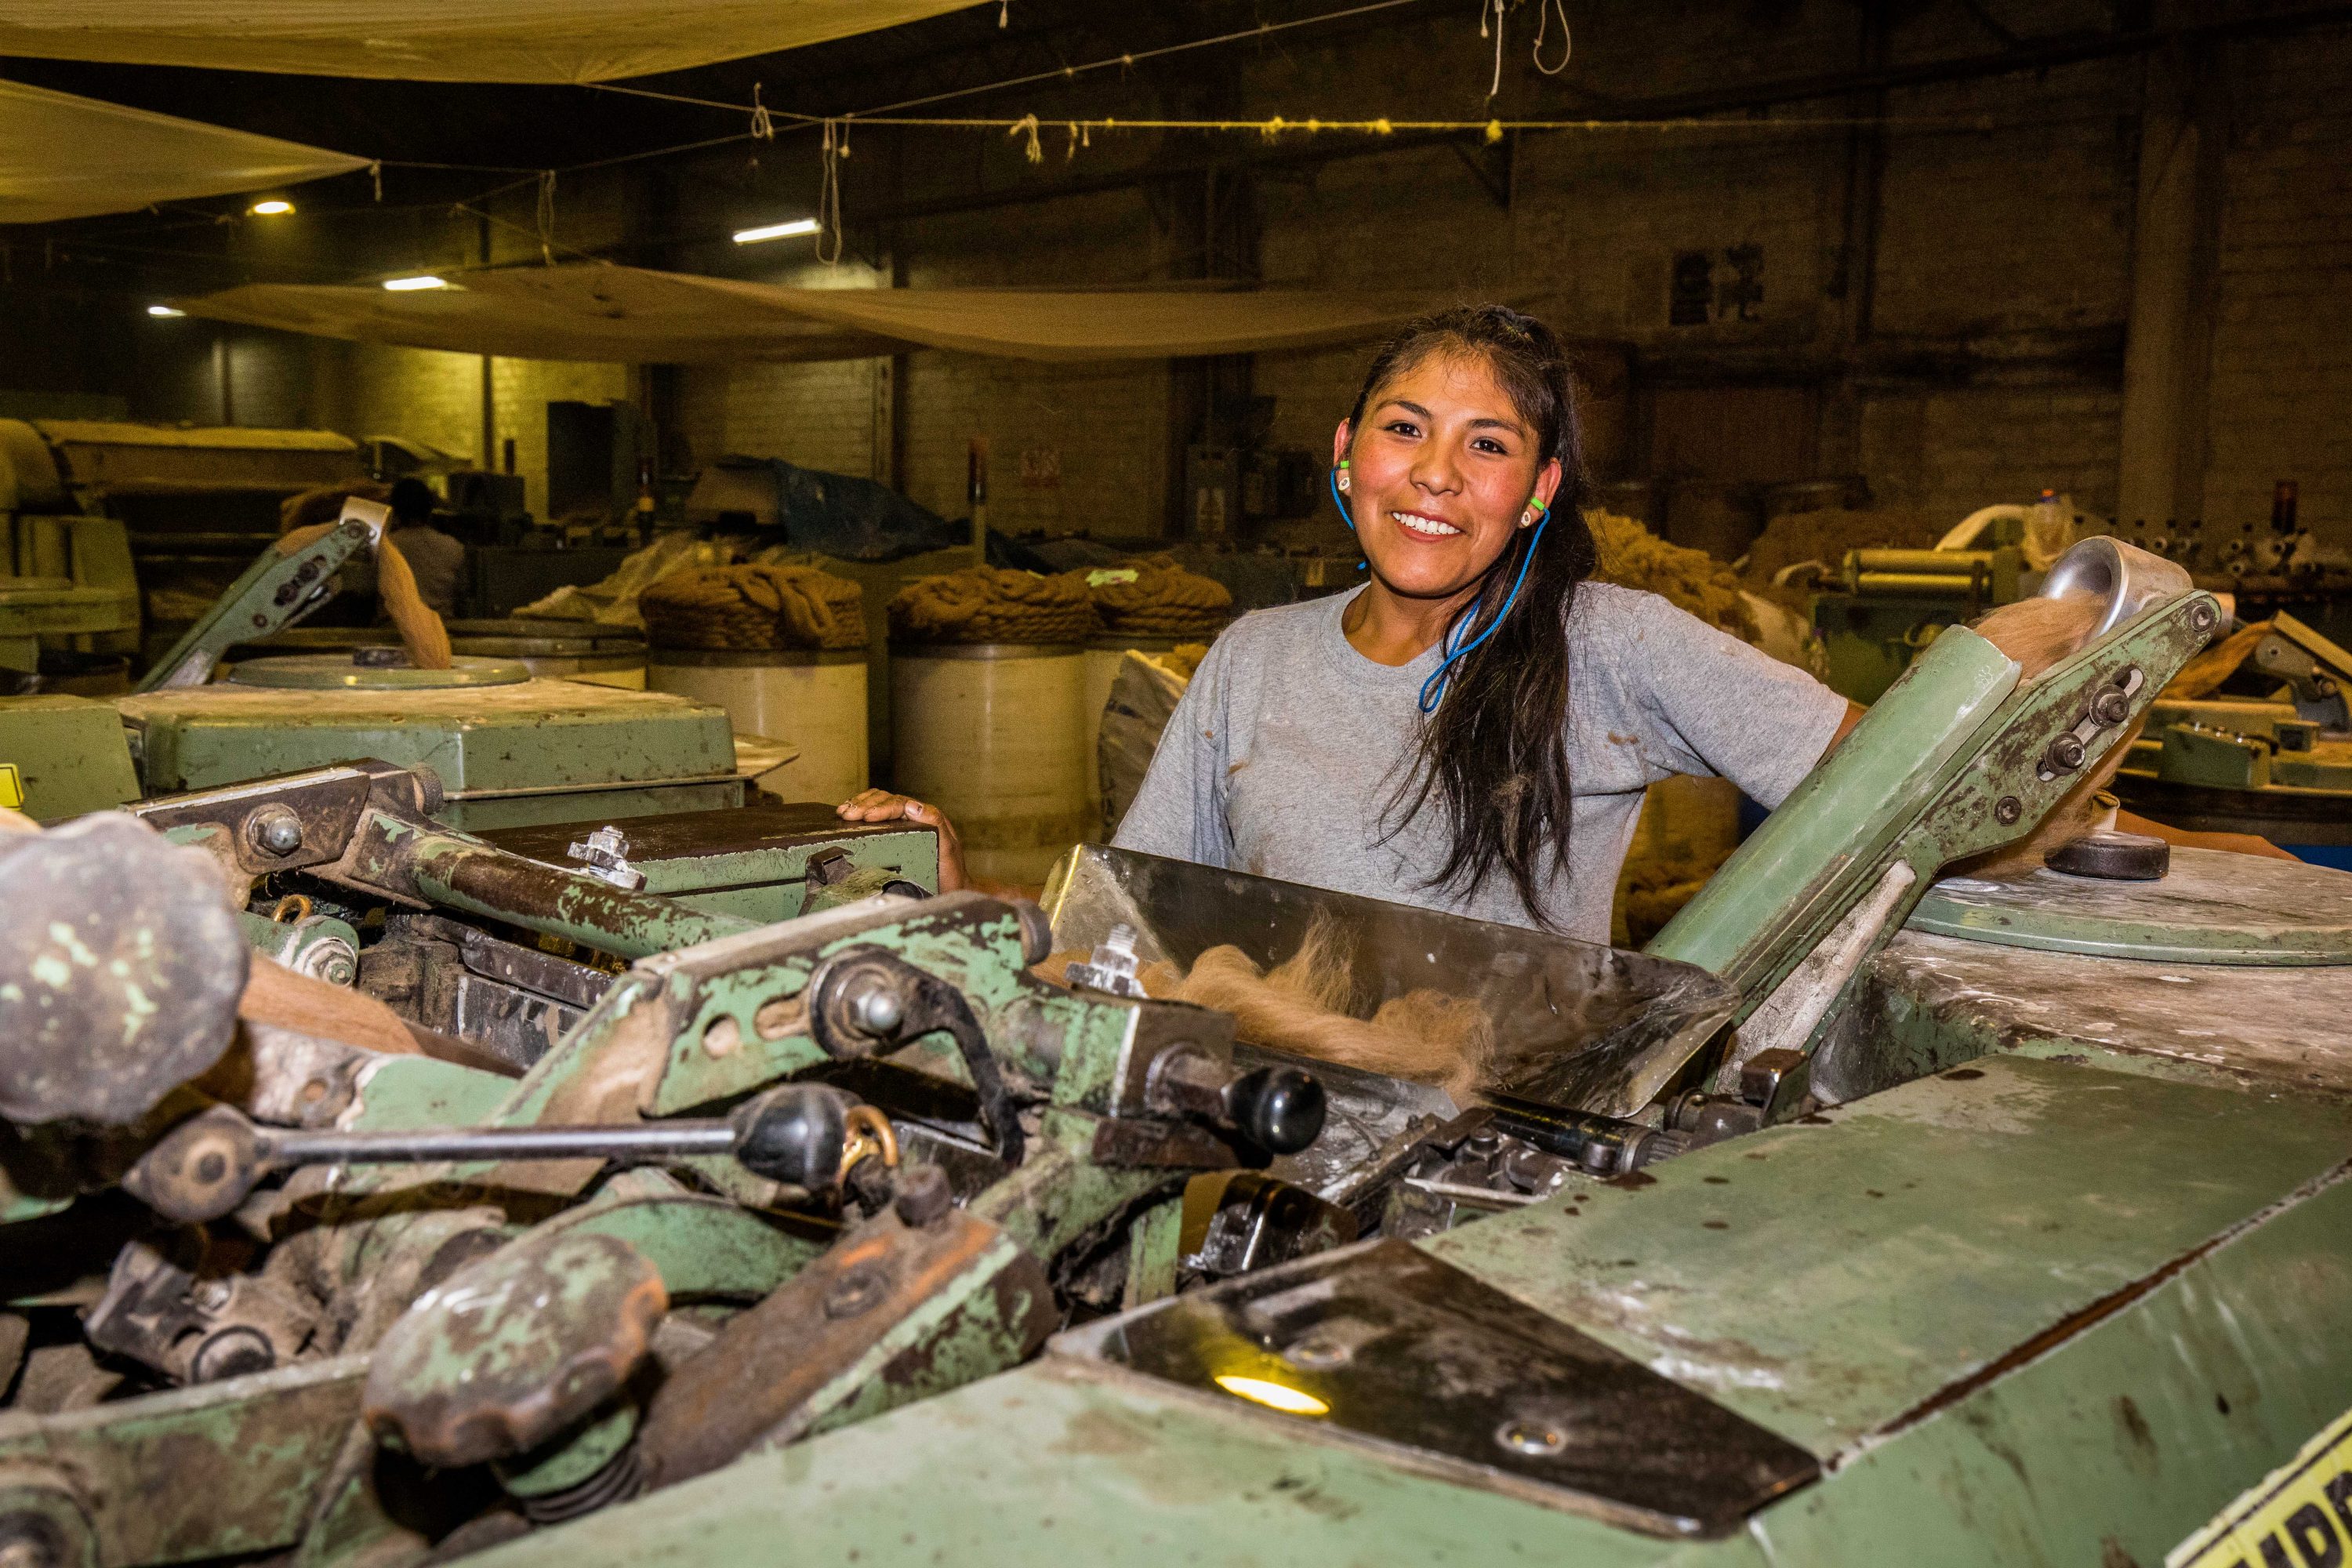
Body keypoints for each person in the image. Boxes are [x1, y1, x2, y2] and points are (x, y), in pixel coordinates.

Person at [840, 304, 1865, 943]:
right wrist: (966, 893)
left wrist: (1715, 972)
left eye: (1489, 446)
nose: (1435, 475)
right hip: (1268, 1159)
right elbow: (1138, 925)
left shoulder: (1605, 643)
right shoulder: (1254, 659)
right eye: (1406, 428)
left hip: (1499, 1182)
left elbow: (1902, 768)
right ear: (1346, 452)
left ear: (1541, 490)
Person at [381, 477, 466, 619]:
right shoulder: (453, 547)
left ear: (395, 510)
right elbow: (462, 595)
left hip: (395, 627)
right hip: (441, 628)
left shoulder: (386, 546)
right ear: (429, 509)